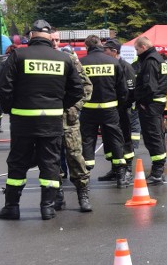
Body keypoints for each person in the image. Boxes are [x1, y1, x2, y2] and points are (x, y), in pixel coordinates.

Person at [0, 19, 83, 220]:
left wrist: (11, 109)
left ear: (31, 35)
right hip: (51, 121)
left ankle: (12, 207)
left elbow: (3, 87)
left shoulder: (19, 55)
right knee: (50, 163)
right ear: (50, 37)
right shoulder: (64, 59)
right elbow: (77, 91)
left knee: (17, 162)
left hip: (23, 120)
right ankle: (47, 208)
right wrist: (58, 105)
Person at [51, 31, 93, 212]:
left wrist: (76, 107)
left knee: (75, 155)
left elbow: (86, 85)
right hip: (48, 118)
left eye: (57, 40)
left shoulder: (69, 59)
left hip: (69, 118)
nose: (54, 43)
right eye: (51, 39)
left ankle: (82, 194)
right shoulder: (42, 59)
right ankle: (57, 194)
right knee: (51, 159)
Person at [80, 35, 129, 188]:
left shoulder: (82, 63)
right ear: (101, 44)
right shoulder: (114, 62)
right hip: (110, 109)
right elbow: (123, 89)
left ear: (87, 46)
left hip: (88, 110)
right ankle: (121, 176)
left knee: (88, 141)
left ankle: (85, 177)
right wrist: (118, 105)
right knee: (115, 140)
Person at [97, 39, 140, 184]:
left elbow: (131, 91)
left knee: (125, 139)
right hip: (109, 111)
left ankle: (127, 169)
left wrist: (122, 106)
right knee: (109, 140)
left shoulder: (125, 67)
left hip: (122, 111)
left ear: (114, 51)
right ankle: (115, 169)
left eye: (106, 49)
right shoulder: (110, 65)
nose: (103, 52)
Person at [134, 36, 167, 185]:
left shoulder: (150, 61)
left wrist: (141, 101)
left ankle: (157, 172)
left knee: (153, 137)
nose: (136, 52)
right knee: (157, 135)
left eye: (137, 49)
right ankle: (158, 170)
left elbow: (149, 87)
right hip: (157, 103)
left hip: (150, 104)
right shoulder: (158, 59)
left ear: (143, 47)